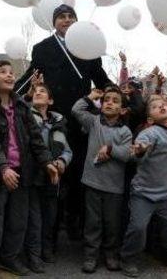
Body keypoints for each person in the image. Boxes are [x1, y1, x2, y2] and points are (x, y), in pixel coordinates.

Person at [14, 4, 112, 239]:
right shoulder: (42, 48)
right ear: (54, 22)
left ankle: (76, 223)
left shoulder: (88, 46)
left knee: (78, 171)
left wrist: (115, 90)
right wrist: (13, 90)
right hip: (54, 119)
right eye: (61, 17)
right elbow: (30, 78)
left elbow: (101, 78)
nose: (66, 20)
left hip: (80, 118)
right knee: (54, 171)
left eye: (71, 17)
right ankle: (51, 230)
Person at [0, 60, 59, 278]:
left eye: (11, 72)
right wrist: (3, 168)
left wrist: (48, 162)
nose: (9, 75)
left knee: (18, 221)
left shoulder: (22, 106)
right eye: (2, 72)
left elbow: (35, 140)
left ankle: (9, 258)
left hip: (23, 173)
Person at [120, 96, 167, 278]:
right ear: (150, 119)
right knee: (138, 228)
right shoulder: (149, 133)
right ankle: (128, 259)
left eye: (164, 104)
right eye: (154, 106)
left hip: (166, 195)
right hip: (143, 193)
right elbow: (138, 154)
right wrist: (140, 151)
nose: (161, 106)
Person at [72, 87, 131, 274]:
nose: (109, 102)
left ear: (122, 110)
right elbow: (76, 110)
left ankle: (111, 255)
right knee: (93, 222)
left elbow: (128, 155)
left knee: (112, 223)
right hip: (92, 182)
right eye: (106, 100)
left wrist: (111, 149)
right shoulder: (94, 122)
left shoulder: (125, 131)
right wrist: (90, 97)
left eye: (115, 100)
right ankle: (91, 256)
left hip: (114, 186)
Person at [25, 83, 72, 270]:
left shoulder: (59, 124)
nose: (38, 92)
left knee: (50, 217)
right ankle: (33, 255)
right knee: (34, 219)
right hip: (32, 176)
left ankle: (47, 248)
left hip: (52, 180)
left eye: (42, 91)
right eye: (35, 91)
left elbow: (67, 150)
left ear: (50, 101)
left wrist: (62, 161)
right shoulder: (26, 116)